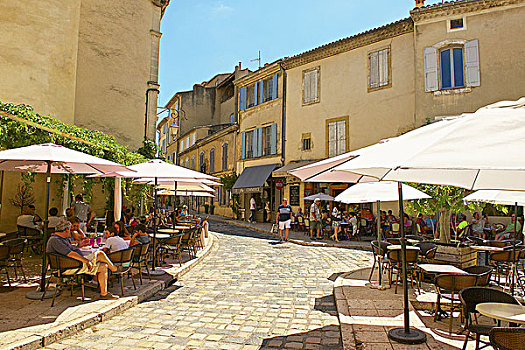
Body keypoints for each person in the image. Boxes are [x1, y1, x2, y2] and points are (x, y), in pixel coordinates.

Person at [46, 220, 119, 299]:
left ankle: (104, 294)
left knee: (103, 266)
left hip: (74, 264)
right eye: (70, 230)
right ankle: (114, 269)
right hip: (69, 266)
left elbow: (70, 250)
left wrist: (78, 246)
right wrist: (86, 261)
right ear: (66, 230)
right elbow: (70, 253)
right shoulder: (55, 240)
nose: (71, 232)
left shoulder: (62, 239)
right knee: (100, 254)